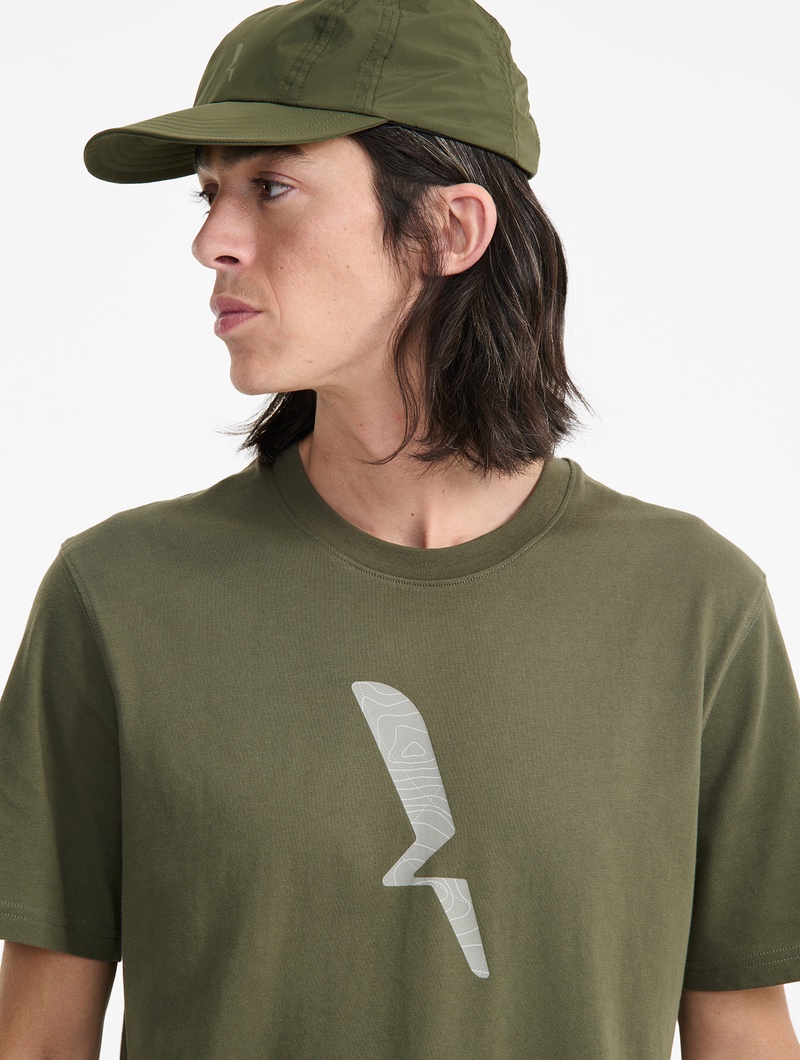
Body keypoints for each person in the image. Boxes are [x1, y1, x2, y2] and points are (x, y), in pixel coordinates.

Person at [0, 0, 799, 1057]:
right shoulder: (118, 597)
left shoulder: (695, 606)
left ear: (448, 229)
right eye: (208, 192)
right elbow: (38, 1036)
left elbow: (741, 1026)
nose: (210, 241)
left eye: (270, 187)